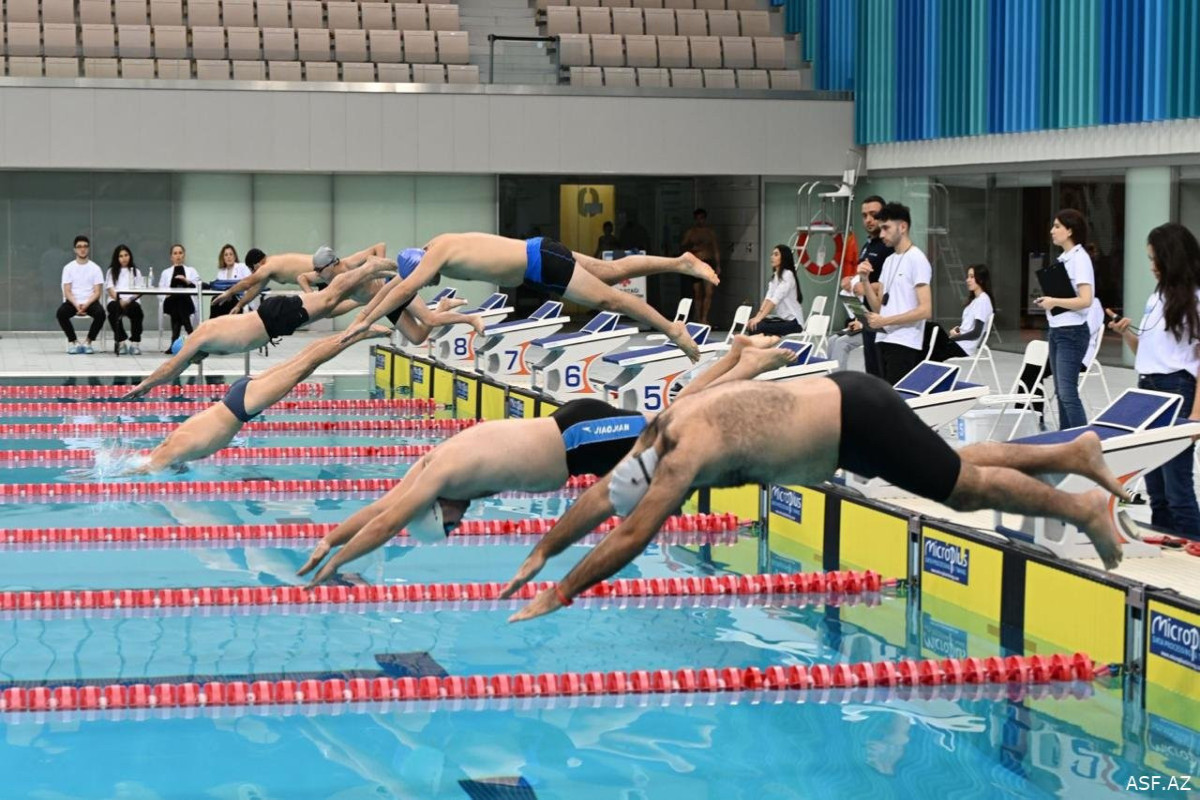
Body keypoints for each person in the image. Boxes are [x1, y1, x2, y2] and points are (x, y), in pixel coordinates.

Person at [501, 372, 1136, 621]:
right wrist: (544, 549)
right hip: (839, 419)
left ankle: (1081, 508)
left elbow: (632, 534)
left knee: (963, 490)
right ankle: (1071, 453)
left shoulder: (685, 453)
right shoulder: (661, 427)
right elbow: (611, 498)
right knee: (948, 464)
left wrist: (560, 593)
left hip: (855, 420)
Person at [298, 335, 798, 585]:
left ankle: (747, 363)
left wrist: (335, 567)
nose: (458, 524)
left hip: (579, 439)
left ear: (436, 510)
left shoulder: (445, 476)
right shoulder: (431, 465)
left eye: (447, 526)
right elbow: (381, 509)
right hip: (571, 431)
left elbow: (387, 524)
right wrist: (328, 539)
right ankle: (737, 358)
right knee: (673, 423)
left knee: (677, 422)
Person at [120, 258, 482, 400]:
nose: (192, 361)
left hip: (274, 316)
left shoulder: (198, 339)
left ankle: (380, 265)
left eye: (189, 356)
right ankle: (390, 292)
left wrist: (142, 386)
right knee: (347, 301)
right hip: (274, 318)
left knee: (332, 295)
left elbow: (171, 369)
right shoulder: (206, 338)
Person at [339, 233, 718, 362]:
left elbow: (403, 289)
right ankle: (680, 262)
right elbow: (393, 285)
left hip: (541, 264)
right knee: (615, 272)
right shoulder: (433, 245)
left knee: (611, 300)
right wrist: (362, 318)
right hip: (541, 255)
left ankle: (673, 330)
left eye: (428, 278)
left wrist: (363, 322)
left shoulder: (435, 255)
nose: (431, 282)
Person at [129, 327, 394, 473]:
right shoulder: (173, 446)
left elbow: (143, 471)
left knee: (306, 364)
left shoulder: (166, 454)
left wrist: (122, 477)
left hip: (241, 405)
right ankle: (355, 330)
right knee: (302, 361)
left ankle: (358, 333)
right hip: (238, 397)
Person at [1107, 222, 1200, 542]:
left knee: (1178, 488)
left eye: (1154, 259)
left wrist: (1196, 417)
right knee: (1155, 487)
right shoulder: (1158, 296)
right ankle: (1165, 554)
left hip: (1177, 391)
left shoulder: (1196, 299)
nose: (1151, 266)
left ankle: (1194, 558)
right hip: (1147, 389)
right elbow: (1145, 350)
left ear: (1171, 258)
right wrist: (1126, 334)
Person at [859, 202, 932, 385]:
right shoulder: (890, 261)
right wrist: (865, 280)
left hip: (905, 343)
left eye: (886, 228)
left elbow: (925, 310)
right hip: (884, 338)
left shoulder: (917, 259)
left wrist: (884, 321)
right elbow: (879, 307)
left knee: (897, 401)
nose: (881, 234)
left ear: (902, 227)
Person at [1037, 209, 1096, 430]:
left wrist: (1054, 301)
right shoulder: (1063, 259)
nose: (1052, 230)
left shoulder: (1080, 259)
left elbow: (1085, 300)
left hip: (1071, 333)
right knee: (1061, 393)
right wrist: (1050, 301)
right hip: (1057, 330)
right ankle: (1066, 440)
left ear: (1070, 230)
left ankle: (1083, 444)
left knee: (1067, 393)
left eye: (1057, 226)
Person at [212, 243, 388, 313]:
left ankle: (379, 284)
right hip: (318, 275)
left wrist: (228, 293)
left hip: (322, 273)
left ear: (256, 265)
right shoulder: (271, 267)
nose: (254, 273)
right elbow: (254, 289)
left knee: (328, 308)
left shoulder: (269, 266)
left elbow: (248, 282)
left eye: (253, 270)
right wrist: (239, 305)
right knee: (328, 310)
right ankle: (366, 299)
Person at [827, 196, 892, 374]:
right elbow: (864, 276)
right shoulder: (867, 245)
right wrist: (851, 280)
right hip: (865, 316)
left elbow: (893, 284)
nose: (868, 220)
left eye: (873, 214)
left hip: (883, 319)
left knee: (880, 371)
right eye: (864, 216)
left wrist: (868, 287)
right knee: (870, 368)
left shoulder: (889, 248)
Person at [927, 265, 995, 362]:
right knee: (927, 346)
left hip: (964, 348)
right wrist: (958, 330)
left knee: (933, 328)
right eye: (968, 277)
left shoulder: (983, 300)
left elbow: (976, 333)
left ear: (981, 279)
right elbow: (968, 326)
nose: (968, 280)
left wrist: (953, 339)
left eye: (972, 277)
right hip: (959, 344)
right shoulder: (975, 300)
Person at [56, 235, 105, 354]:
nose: (82, 249)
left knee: (101, 314)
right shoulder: (68, 268)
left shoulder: (95, 268)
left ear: (88, 249)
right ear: (75, 250)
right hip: (73, 301)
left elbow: (97, 292)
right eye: (79, 247)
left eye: (85, 246)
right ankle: (74, 342)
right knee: (61, 313)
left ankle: (88, 342)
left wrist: (87, 304)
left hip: (90, 301)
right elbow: (67, 291)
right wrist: (77, 305)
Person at [747, 244, 804, 336]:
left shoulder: (788, 275)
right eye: (772, 254)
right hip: (784, 320)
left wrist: (759, 319)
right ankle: (759, 348)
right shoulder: (776, 276)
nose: (772, 257)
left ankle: (761, 349)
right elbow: (768, 298)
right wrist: (757, 316)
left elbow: (774, 300)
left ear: (784, 258)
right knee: (753, 325)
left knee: (757, 327)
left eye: (776, 254)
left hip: (794, 323)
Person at [681, 208, 721, 326]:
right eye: (698, 219)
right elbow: (682, 247)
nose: (700, 221)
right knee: (697, 292)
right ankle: (698, 318)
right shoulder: (691, 233)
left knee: (709, 292)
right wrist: (692, 249)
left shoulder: (710, 232)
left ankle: (704, 318)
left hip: (709, 262)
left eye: (702, 218)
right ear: (695, 219)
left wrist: (718, 265)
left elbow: (716, 249)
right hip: (696, 263)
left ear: (705, 219)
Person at [159, 244, 202, 352]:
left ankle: (174, 342)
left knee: (180, 301)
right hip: (170, 302)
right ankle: (191, 335)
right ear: (171, 257)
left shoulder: (191, 271)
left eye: (180, 253)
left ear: (184, 255)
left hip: (187, 303)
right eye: (175, 253)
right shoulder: (166, 272)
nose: (178, 256)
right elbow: (160, 291)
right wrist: (166, 294)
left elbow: (198, 286)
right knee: (178, 300)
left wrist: (186, 281)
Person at [104, 244, 145, 356]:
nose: (124, 258)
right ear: (117, 258)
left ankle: (135, 343)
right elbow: (110, 289)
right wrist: (120, 300)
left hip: (132, 301)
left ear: (130, 256)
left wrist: (129, 300)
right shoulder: (111, 271)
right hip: (116, 300)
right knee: (112, 313)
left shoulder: (136, 271)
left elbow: (140, 290)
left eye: (126, 255)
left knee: (138, 312)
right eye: (121, 256)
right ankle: (121, 342)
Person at [209, 244, 252, 318]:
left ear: (235, 256)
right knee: (214, 300)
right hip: (224, 300)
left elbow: (250, 283)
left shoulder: (242, 267)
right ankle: (213, 323)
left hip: (239, 300)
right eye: (226, 255)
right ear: (223, 258)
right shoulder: (221, 272)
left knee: (228, 301)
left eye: (231, 254)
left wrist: (230, 293)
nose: (228, 257)